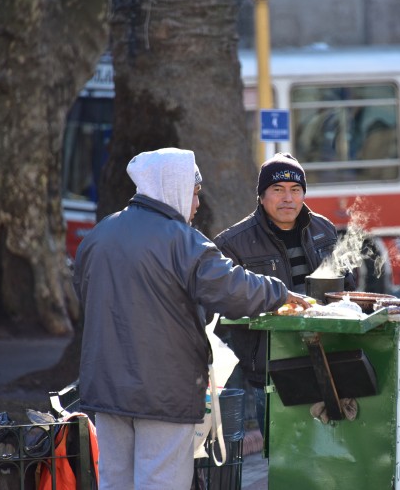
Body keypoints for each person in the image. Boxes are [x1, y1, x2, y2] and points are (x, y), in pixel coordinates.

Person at [73, 148, 309, 489]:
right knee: (161, 481)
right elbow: (232, 288)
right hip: (162, 391)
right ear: (173, 188)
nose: (197, 204)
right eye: (195, 193)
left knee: (114, 481)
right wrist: (280, 293)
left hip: (106, 387)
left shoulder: (100, 234)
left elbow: (84, 293)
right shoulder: (183, 241)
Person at [213, 152, 355, 436]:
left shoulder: (324, 229)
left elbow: (347, 287)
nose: (287, 198)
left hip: (327, 360)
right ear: (262, 196)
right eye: (277, 190)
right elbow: (226, 306)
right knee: (282, 457)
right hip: (271, 369)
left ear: (303, 194)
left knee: (331, 453)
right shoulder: (232, 243)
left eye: (295, 190)